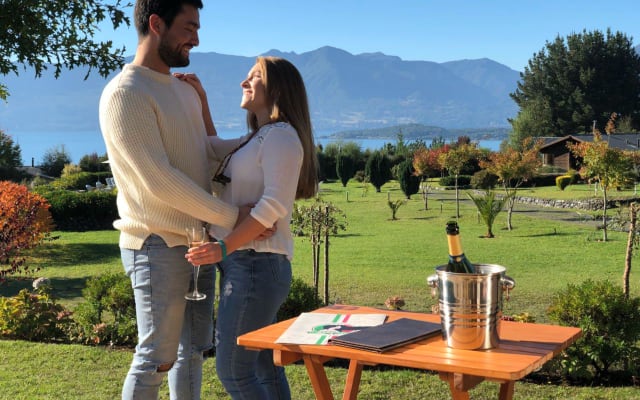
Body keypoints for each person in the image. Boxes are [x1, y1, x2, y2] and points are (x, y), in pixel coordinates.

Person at [98, 1, 260, 399]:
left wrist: (268, 139)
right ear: (156, 24)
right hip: (155, 244)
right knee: (157, 359)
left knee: (191, 354)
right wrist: (229, 216)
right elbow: (158, 180)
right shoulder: (126, 93)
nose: (197, 39)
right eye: (189, 27)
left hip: (196, 245)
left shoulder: (184, 92)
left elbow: (204, 153)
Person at [182, 56, 319, 399]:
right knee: (261, 368)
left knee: (233, 371)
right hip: (248, 266)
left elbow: (273, 206)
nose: (244, 82)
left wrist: (224, 246)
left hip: (255, 265)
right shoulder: (257, 138)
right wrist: (201, 101)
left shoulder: (281, 137)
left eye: (254, 77)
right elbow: (212, 149)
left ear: (277, 90)